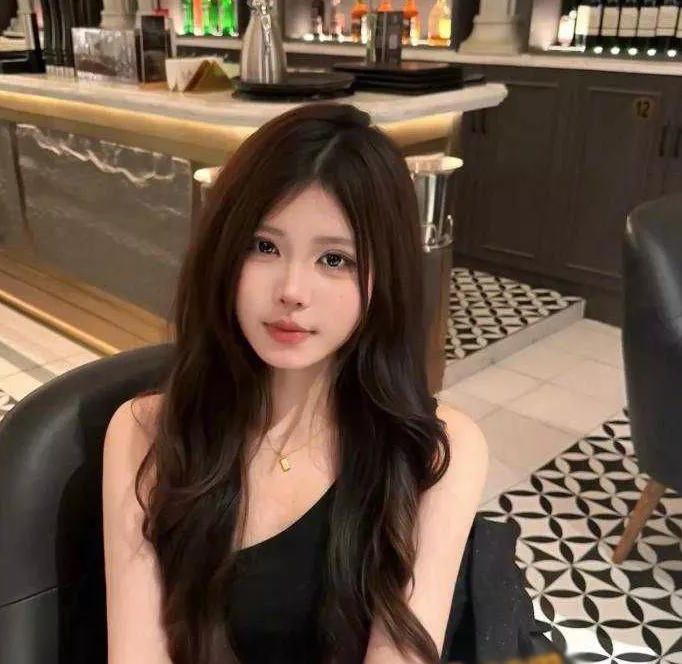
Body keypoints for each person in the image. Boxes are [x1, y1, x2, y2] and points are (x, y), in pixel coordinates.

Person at [102, 102, 489, 664]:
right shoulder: (146, 434)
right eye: (264, 246)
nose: (292, 290)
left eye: (334, 259)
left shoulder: (433, 450)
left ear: (383, 280)